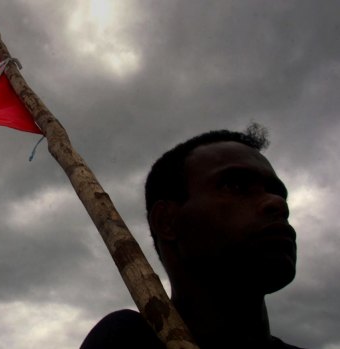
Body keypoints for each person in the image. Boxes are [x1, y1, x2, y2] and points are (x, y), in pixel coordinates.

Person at [80, 125, 306, 349]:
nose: (278, 203)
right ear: (166, 221)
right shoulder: (125, 342)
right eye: (235, 185)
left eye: (276, 192)